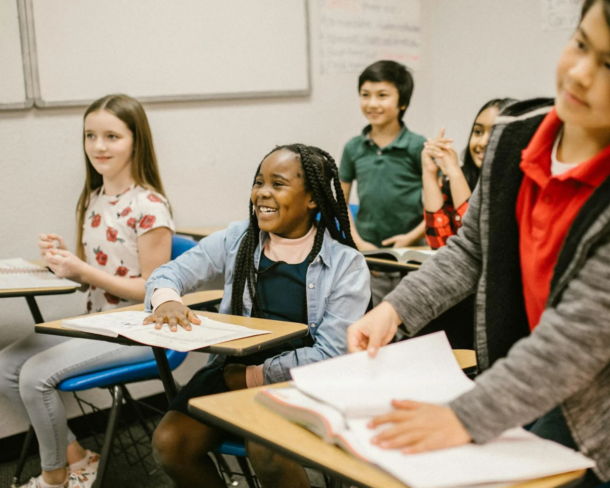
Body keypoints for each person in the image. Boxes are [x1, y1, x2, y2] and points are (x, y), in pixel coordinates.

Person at [347, 0, 610, 486]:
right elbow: (472, 249)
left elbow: (576, 338)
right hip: (566, 387)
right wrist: (395, 308)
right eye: (581, 44)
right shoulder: (516, 136)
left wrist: (462, 417)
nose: (579, 73)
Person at [147, 144, 371, 488]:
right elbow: (170, 272)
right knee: (169, 444)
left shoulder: (346, 264)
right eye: (258, 182)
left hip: (302, 381)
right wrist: (165, 300)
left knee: (265, 448)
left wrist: (253, 377)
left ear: (312, 198)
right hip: (232, 371)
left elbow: (332, 353)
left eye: (278, 184)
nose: (262, 193)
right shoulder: (239, 238)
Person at [0, 94, 174, 488]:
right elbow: (91, 276)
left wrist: (83, 270)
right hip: (97, 322)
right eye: (90, 136)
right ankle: (77, 458)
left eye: (112, 136)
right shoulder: (94, 199)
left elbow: (153, 289)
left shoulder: (150, 206)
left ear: (136, 141)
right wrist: (65, 263)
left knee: (34, 377)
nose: (98, 146)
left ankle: (55, 476)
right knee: (6, 366)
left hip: (140, 328)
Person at [339, 60, 426, 305]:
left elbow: (439, 204)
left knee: (411, 315)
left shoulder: (417, 145)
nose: (372, 103)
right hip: (368, 256)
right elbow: (340, 202)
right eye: (365, 94)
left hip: (412, 256)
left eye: (382, 95)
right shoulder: (353, 148)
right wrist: (358, 242)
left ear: (402, 102)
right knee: (371, 315)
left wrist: (411, 237)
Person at [423, 98, 515, 249]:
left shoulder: (520, 187)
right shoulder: (458, 180)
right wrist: (429, 173)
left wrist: (454, 172)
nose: (482, 142)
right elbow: (439, 244)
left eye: (495, 133)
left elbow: (477, 243)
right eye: (478, 132)